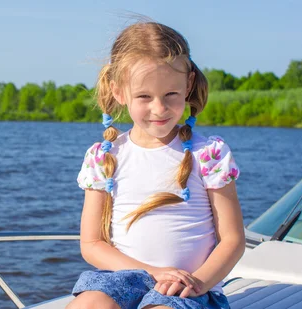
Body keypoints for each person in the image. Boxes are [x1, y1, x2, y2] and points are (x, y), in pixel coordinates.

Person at [66, 21, 245, 309]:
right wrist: (152, 272)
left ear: (187, 86)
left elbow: (233, 240)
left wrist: (198, 282)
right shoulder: (105, 156)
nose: (159, 108)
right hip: (122, 279)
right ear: (119, 92)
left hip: (188, 286)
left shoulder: (209, 154)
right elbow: (92, 244)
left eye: (170, 95)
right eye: (144, 97)